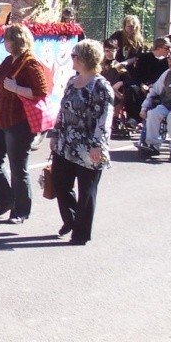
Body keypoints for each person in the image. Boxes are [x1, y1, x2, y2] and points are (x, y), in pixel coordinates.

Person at [0, 23, 48, 224]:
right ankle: (4, 201)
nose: (4, 42)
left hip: (19, 122)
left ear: (16, 41)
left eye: (7, 39)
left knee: (18, 167)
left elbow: (41, 92)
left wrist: (17, 88)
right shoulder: (7, 61)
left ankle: (21, 210)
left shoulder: (30, 63)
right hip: (0, 119)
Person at [50, 39, 113, 245]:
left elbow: (105, 117)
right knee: (60, 184)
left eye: (75, 56)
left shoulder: (101, 86)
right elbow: (63, 109)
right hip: (66, 143)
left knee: (86, 192)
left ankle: (81, 234)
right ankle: (72, 220)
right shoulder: (71, 81)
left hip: (89, 146)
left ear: (85, 58)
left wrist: (98, 144)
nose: (72, 59)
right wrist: (55, 135)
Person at [122, 36, 171, 127]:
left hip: (159, 88)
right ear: (159, 47)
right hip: (144, 85)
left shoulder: (168, 62)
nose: (169, 51)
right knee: (132, 90)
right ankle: (133, 119)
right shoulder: (145, 58)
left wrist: (154, 86)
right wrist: (142, 85)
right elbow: (137, 74)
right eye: (167, 48)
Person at [138, 49, 171, 161]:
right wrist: (144, 108)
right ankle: (153, 145)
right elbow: (154, 91)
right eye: (169, 61)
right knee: (153, 114)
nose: (170, 63)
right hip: (167, 104)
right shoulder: (167, 74)